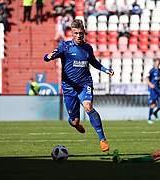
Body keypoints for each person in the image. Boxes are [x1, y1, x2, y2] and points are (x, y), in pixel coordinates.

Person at [43, 19, 114, 152]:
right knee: (74, 121)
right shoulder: (65, 47)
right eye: (76, 33)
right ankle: (76, 124)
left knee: (88, 107)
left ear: (84, 32)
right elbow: (47, 57)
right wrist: (48, 56)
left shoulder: (87, 48)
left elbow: (93, 62)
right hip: (69, 87)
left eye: (81, 33)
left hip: (84, 84)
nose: (79, 36)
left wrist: (105, 69)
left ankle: (102, 139)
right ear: (72, 33)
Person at [146, 58, 160, 124]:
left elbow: (158, 78)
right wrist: (150, 84)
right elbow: (147, 78)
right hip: (153, 90)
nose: (158, 63)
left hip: (158, 89)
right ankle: (149, 118)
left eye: (159, 62)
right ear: (154, 63)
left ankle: (155, 112)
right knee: (153, 104)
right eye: (157, 62)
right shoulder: (152, 70)